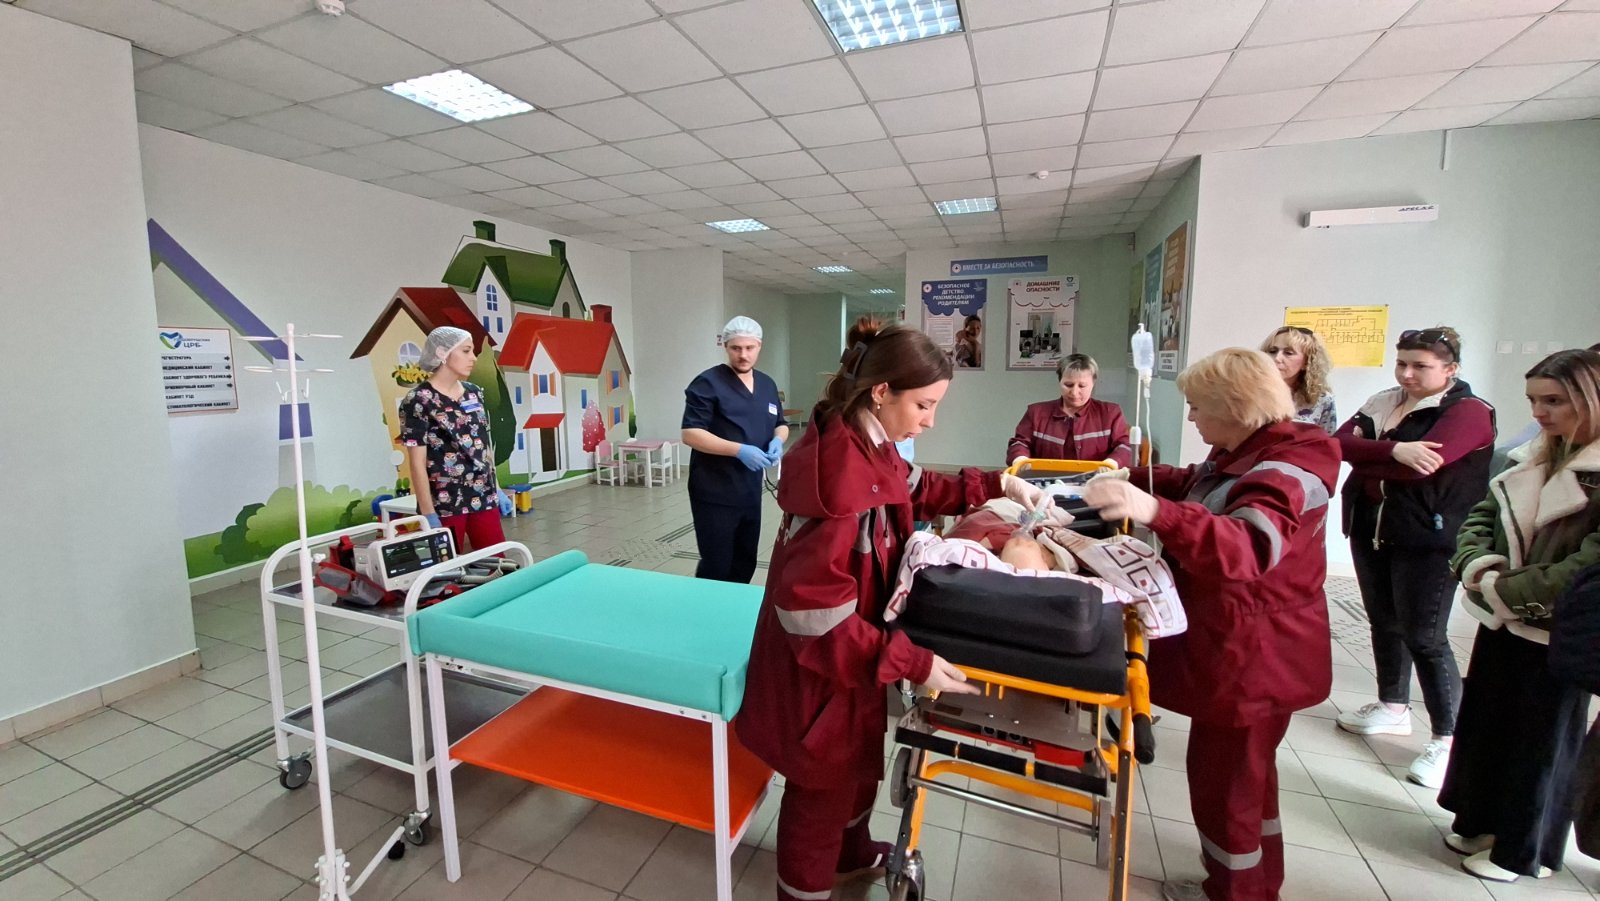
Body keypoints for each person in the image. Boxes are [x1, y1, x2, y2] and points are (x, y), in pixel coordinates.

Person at [734, 318, 1054, 901]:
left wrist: (998, 485)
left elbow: (916, 487)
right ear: (882, 392)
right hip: (818, 668)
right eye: (924, 406)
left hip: (853, 653)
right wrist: (913, 662)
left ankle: (851, 856)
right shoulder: (837, 479)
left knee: (855, 766)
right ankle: (803, 890)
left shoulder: (870, 442)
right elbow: (814, 620)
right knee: (820, 788)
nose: (931, 421)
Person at [1085, 348, 1338, 901]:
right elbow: (1200, 483)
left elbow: (1246, 545)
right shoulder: (1250, 450)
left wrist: (1155, 513)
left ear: (1235, 407)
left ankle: (1236, 891)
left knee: (1228, 784)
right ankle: (1255, 883)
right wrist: (1131, 479)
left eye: (1199, 407)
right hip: (1248, 645)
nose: (1192, 417)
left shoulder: (1286, 470)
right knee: (1248, 779)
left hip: (1256, 655)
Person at [1439, 348, 1600, 883]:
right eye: (1533, 400)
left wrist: (1505, 589)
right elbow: (1479, 518)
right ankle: (1481, 821)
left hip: (1561, 628)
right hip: (1504, 615)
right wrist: (1479, 569)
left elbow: (1586, 565)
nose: (1538, 412)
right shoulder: (1531, 454)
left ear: (1590, 399)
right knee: (1488, 723)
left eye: (1554, 401)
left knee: (1542, 739)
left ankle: (1523, 850)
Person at [1332, 327, 1496, 789]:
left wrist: (1373, 455)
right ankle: (1392, 706)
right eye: (1402, 363)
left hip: (1429, 538)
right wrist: (1395, 451)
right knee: (1384, 621)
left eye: (1420, 366)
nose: (1407, 374)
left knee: (1425, 637)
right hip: (1371, 527)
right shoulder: (1385, 400)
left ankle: (1448, 738)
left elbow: (1426, 466)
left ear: (1451, 369)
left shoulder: (1469, 411)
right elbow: (1337, 444)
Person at [681, 316, 787, 583]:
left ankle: (735, 605)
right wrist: (739, 450)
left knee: (745, 560)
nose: (743, 355)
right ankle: (706, 607)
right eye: (736, 348)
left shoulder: (767, 384)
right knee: (717, 564)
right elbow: (691, 433)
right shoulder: (707, 383)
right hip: (714, 490)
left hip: (749, 490)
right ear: (725, 347)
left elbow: (780, 423)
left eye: (749, 348)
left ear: (759, 346)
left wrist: (778, 441)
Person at [400, 326, 505, 553]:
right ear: (442, 353)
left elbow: (484, 445)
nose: (473, 358)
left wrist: (497, 488)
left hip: (483, 495)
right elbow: (417, 463)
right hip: (444, 502)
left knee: (497, 562)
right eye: (466, 351)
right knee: (446, 566)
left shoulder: (474, 393)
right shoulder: (418, 401)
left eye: (473, 351)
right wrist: (428, 512)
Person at [1007, 353, 1133, 467]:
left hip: (1096, 481)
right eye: (1068, 385)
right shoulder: (1036, 413)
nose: (1074, 392)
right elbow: (1019, 443)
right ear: (1059, 381)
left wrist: (1111, 463)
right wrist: (1020, 459)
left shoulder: (1110, 413)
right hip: (1045, 480)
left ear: (1093, 383)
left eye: (1082, 386)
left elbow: (1124, 446)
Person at [1260, 326, 1337, 433]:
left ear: (1307, 362)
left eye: (1288, 353)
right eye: (1272, 351)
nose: (1277, 358)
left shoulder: (1322, 399)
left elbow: (1327, 439)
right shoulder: (1250, 393)